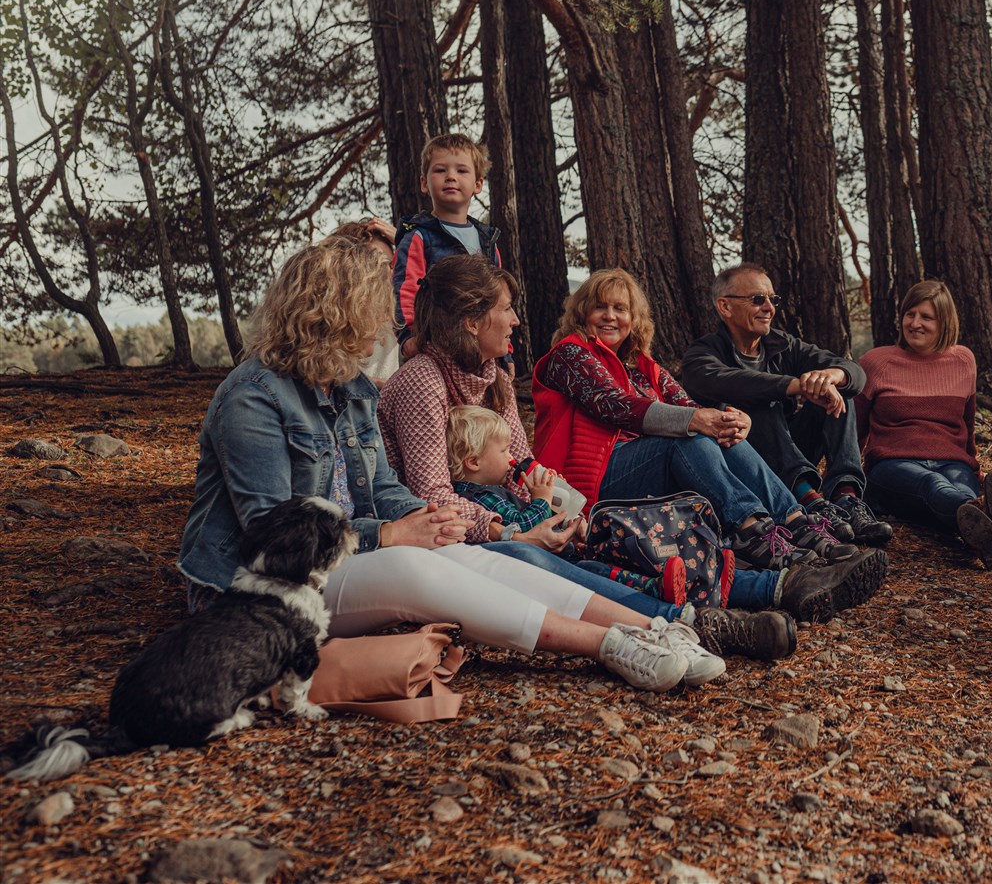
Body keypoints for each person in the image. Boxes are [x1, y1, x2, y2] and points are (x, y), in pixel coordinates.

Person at [178, 235, 722, 692]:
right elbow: (271, 535)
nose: (388, 327)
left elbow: (385, 486)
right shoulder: (253, 398)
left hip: (349, 559)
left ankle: (653, 627)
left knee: (456, 552)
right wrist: (388, 534)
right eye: (374, 312)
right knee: (414, 565)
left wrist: (429, 521)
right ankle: (609, 647)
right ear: (335, 313)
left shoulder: (352, 389)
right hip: (262, 588)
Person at [379, 255, 796, 661]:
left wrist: (565, 512)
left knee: (601, 541)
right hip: (452, 540)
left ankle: (770, 583)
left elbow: (522, 466)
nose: (515, 321)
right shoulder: (422, 382)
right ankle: (687, 622)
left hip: (511, 513)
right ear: (472, 322)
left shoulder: (496, 377)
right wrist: (511, 534)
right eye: (506, 310)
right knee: (538, 559)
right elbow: (430, 495)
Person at [532, 269, 889, 617]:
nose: (610, 316)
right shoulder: (571, 354)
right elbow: (615, 406)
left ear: (633, 318)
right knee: (688, 438)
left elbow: (688, 406)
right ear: (583, 313)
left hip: (645, 473)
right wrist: (696, 421)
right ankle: (753, 530)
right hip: (592, 483)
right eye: (600, 308)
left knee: (715, 429)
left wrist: (732, 423)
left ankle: (797, 523)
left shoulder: (644, 367)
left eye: (620, 309)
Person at [682, 264, 891, 546]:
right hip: (747, 465)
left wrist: (831, 377)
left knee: (839, 394)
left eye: (772, 299)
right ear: (725, 307)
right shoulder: (702, 353)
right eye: (757, 299)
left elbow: (854, 372)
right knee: (757, 399)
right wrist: (796, 385)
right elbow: (728, 381)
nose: (769, 307)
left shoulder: (783, 344)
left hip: (790, 453)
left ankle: (847, 499)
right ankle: (810, 502)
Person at [855, 281, 992, 570]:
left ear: (944, 322)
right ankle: (988, 515)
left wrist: (974, 466)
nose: (915, 323)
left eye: (926, 317)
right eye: (910, 314)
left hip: (951, 461)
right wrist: (843, 479)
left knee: (957, 488)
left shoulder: (963, 360)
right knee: (932, 485)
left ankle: (985, 535)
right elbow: (854, 428)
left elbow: (966, 423)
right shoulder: (876, 363)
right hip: (893, 465)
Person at [446, 404, 686, 604]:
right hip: (548, 566)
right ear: (474, 462)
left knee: (603, 550)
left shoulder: (497, 489)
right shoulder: (476, 497)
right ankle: (651, 590)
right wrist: (541, 499)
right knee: (594, 571)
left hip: (562, 550)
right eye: (503, 451)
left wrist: (558, 503)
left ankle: (670, 568)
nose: (511, 459)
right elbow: (524, 526)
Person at [392, 133, 505, 361]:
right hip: (433, 347)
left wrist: (505, 353)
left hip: (480, 346)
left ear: (478, 184)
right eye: (440, 170)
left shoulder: (487, 240)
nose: (451, 177)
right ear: (424, 183)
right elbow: (405, 289)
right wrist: (408, 336)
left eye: (461, 171)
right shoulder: (419, 236)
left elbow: (500, 297)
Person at [329, 218, 401, 384]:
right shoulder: (328, 314)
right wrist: (375, 386)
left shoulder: (398, 309)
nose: (388, 274)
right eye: (377, 265)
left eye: (390, 265)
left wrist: (405, 242)